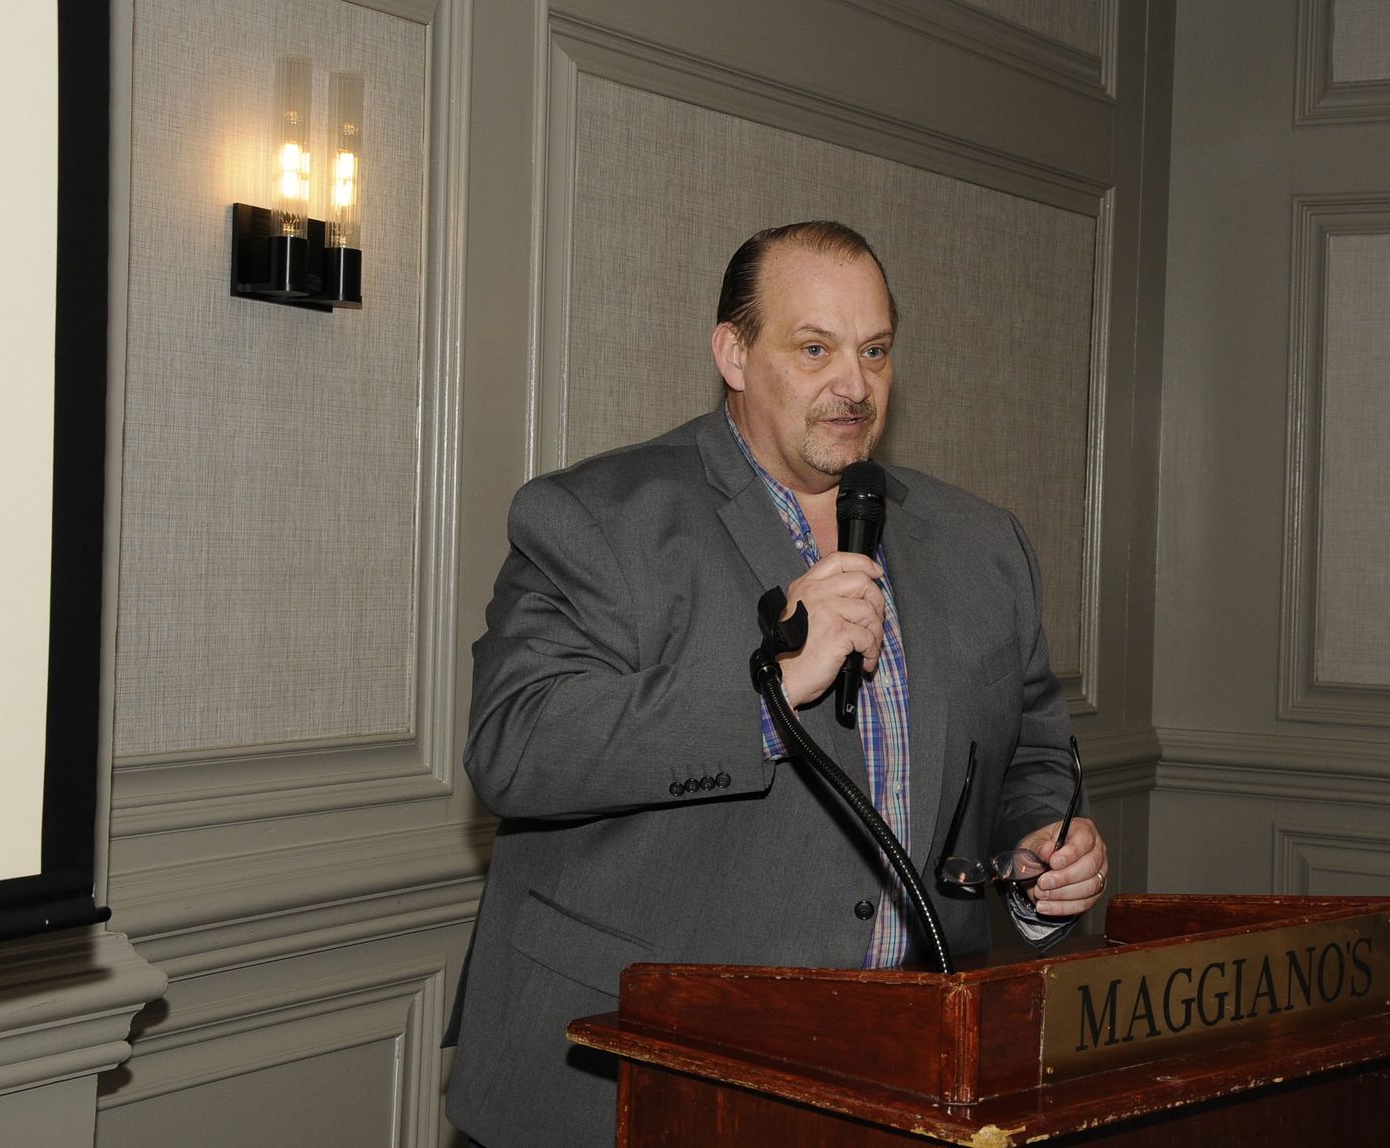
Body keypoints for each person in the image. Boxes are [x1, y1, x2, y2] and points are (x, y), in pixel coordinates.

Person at [444, 221, 1106, 1146]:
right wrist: (770, 688)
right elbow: (518, 747)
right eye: (815, 348)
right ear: (734, 353)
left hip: (901, 1083)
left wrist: (1039, 844)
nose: (855, 384)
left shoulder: (981, 544)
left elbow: (1028, 746)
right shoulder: (598, 518)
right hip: (641, 1078)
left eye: (875, 350)